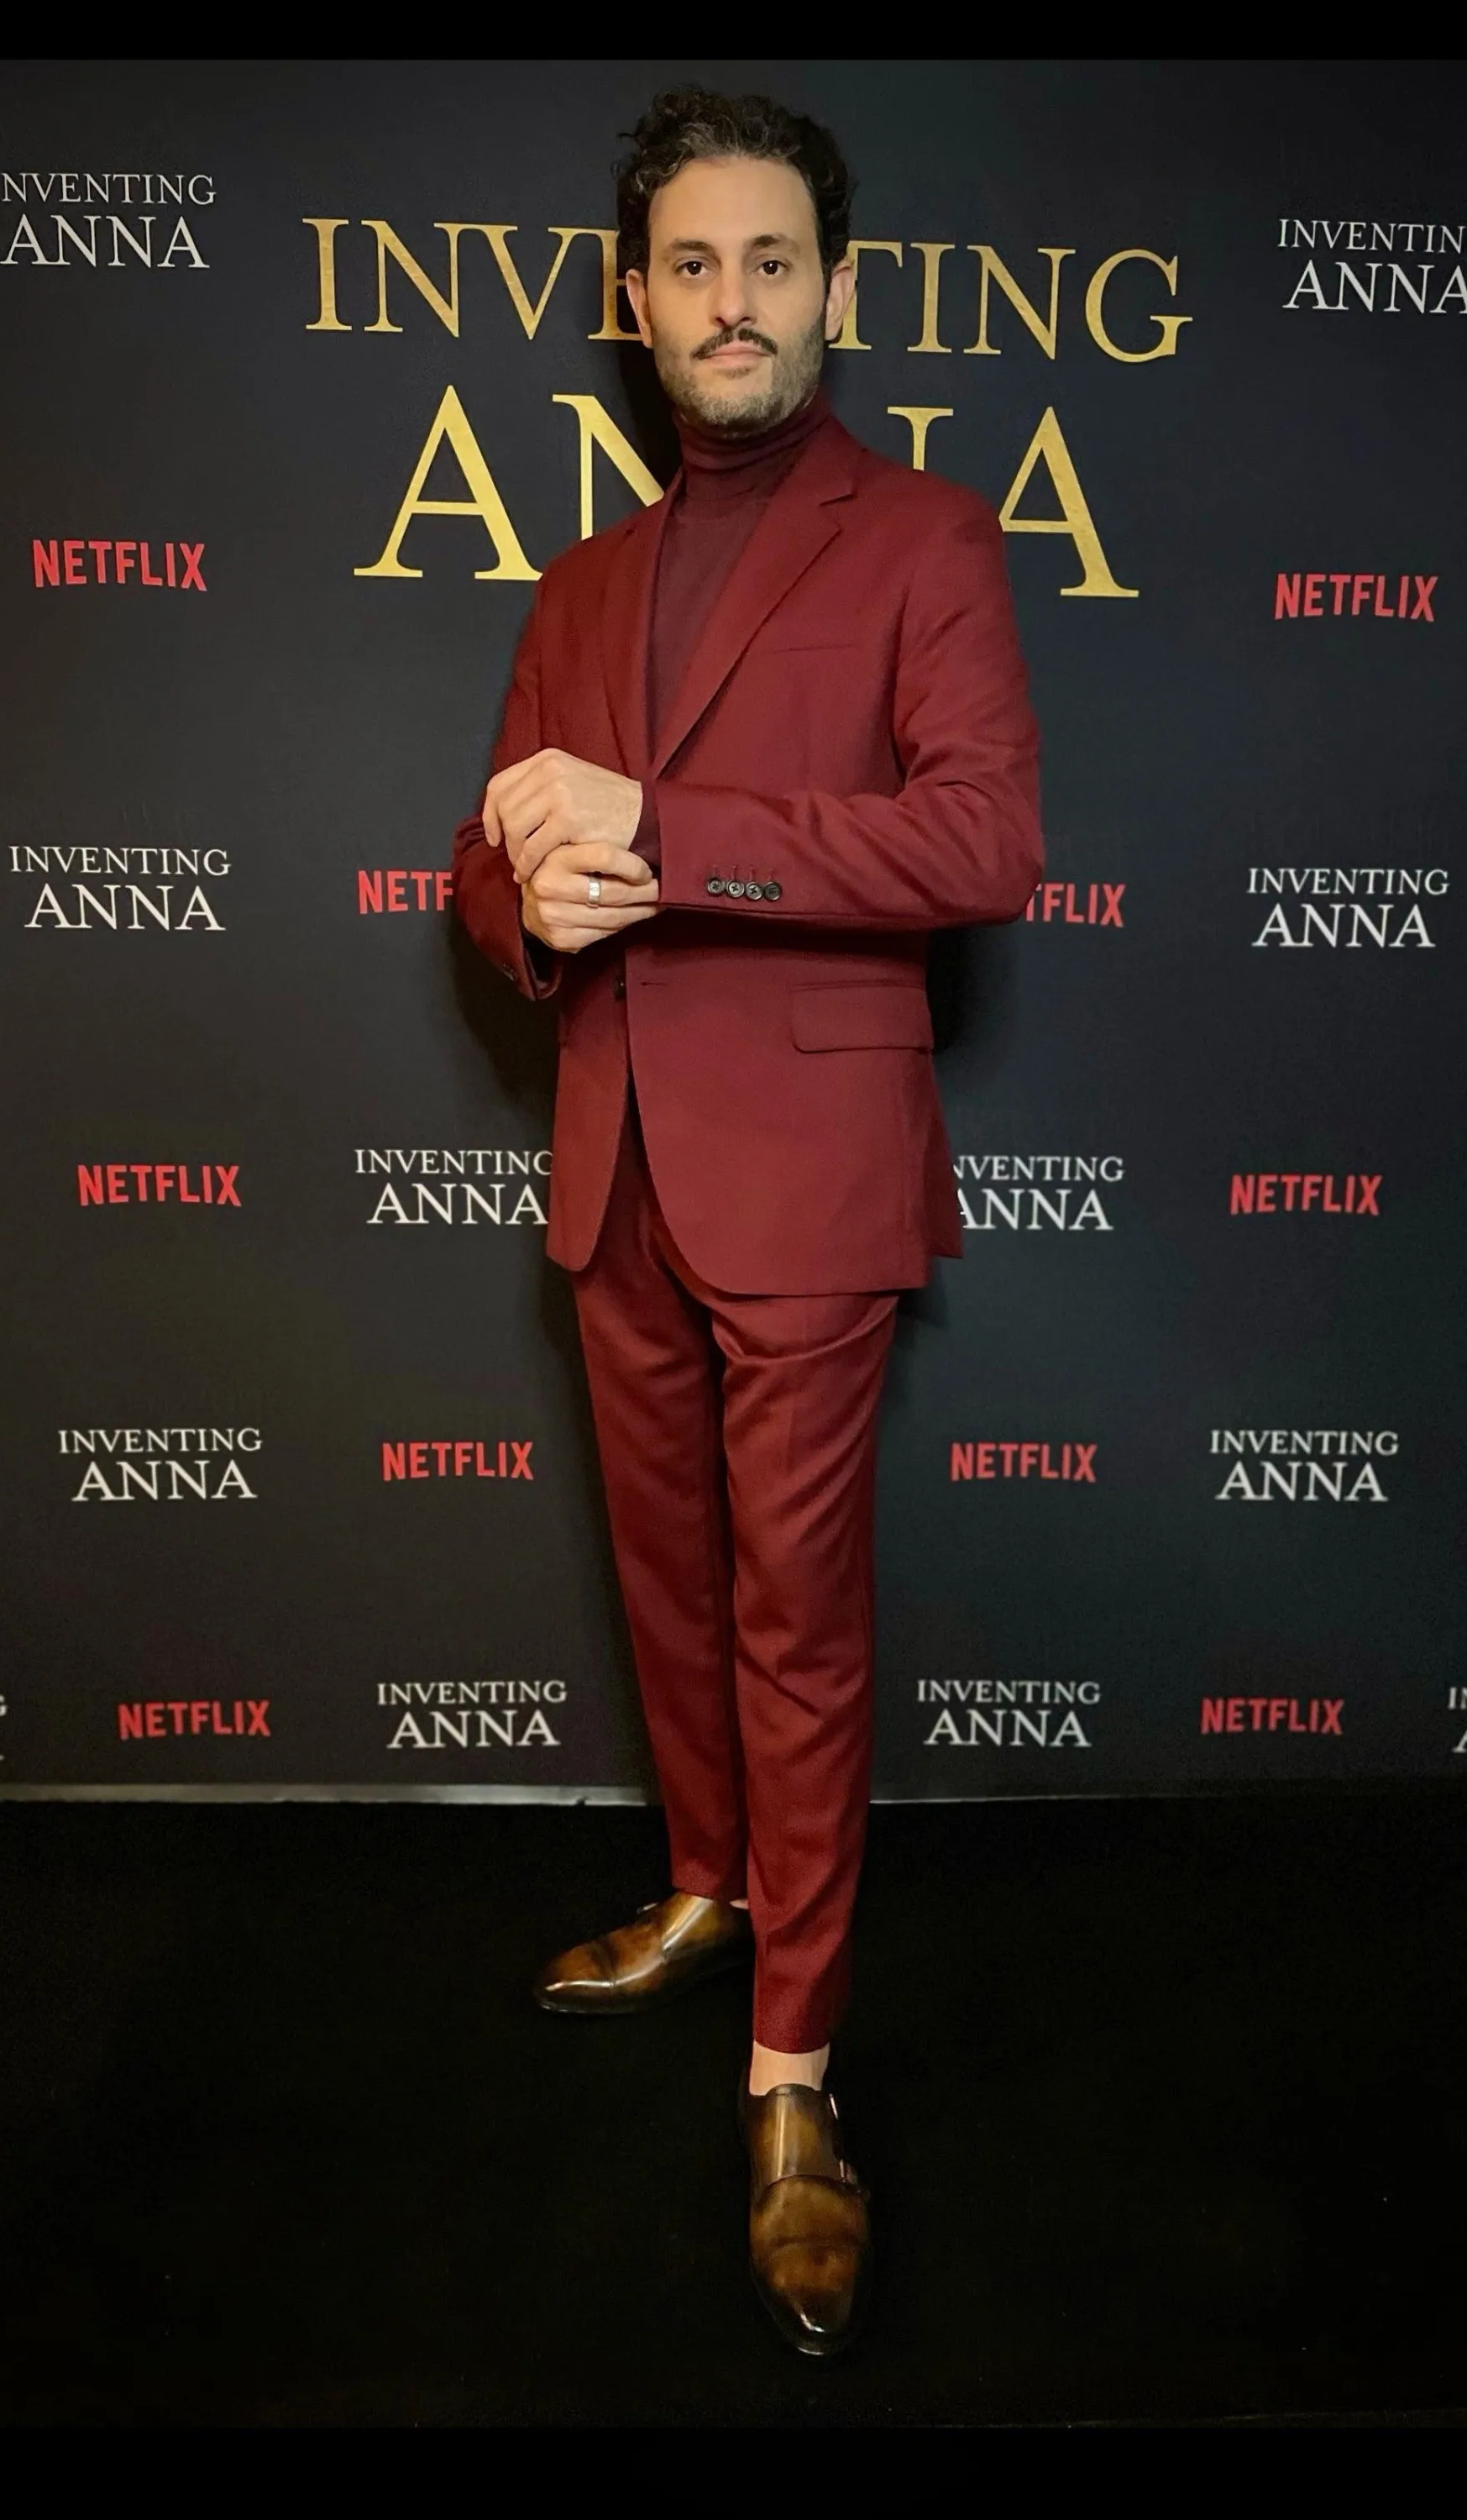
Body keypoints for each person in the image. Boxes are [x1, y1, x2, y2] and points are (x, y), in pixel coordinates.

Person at [450, 86, 1043, 2356]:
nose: (732, 303)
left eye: (772, 262)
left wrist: (670, 834)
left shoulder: (929, 539)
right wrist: (537, 904)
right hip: (611, 1158)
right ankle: (705, 1883)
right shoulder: (578, 579)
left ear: (831, 289)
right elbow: (480, 871)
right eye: (691, 266)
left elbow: (985, 844)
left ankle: (793, 2070)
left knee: (798, 1624)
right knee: (670, 1586)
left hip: (805, 1177)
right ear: (633, 303)